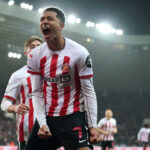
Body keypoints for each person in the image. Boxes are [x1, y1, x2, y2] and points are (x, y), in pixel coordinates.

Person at [25, 7, 100, 150]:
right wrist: (42, 123)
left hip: (72, 116)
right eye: (42, 19)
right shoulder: (34, 56)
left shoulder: (79, 53)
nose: (44, 22)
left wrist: (93, 126)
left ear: (61, 25)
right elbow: (37, 92)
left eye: (50, 19)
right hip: (47, 116)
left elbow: (88, 91)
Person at [1, 36, 42, 150]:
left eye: (39, 46)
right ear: (26, 52)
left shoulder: (53, 73)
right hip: (27, 134)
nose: (35, 49)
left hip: (51, 133)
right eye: (32, 47)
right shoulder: (18, 75)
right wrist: (15, 107)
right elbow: (4, 103)